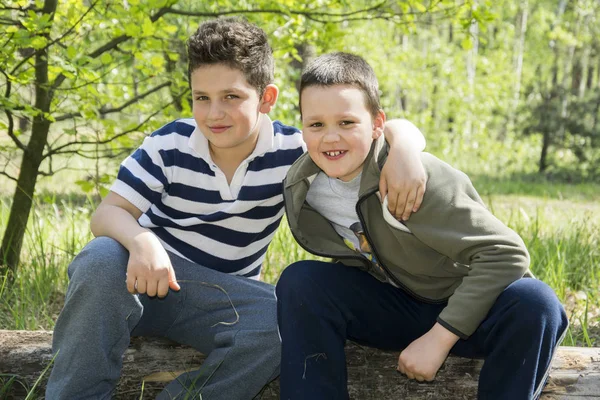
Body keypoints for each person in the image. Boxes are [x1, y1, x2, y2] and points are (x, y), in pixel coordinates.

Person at [45, 18, 428, 400]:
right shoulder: (170, 144)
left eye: (231, 97)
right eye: (202, 98)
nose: (214, 114)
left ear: (266, 98)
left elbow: (382, 125)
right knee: (100, 257)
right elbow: (106, 214)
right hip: (144, 280)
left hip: (221, 299)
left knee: (284, 324)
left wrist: (406, 150)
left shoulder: (294, 153)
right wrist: (143, 241)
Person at [276, 52, 569, 400]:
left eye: (347, 123)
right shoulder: (305, 187)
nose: (330, 138)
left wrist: (439, 338)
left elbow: (506, 253)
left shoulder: (412, 178)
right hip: (395, 307)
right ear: (302, 126)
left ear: (376, 125)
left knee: (537, 302)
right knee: (301, 281)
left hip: (470, 312)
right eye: (316, 125)